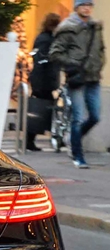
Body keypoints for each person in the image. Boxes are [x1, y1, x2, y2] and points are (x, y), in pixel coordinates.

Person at [50, 0, 105, 169]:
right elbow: (55, 53)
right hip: (77, 78)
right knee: (78, 118)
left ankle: (73, 139)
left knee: (95, 116)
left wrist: (99, 63)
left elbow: (100, 49)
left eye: (89, 5)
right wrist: (72, 64)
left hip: (94, 78)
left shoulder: (96, 27)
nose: (87, 8)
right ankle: (78, 156)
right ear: (76, 8)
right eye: (83, 5)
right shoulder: (67, 27)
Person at [26, 13, 61, 151]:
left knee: (42, 110)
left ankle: (33, 139)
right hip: (43, 81)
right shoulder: (46, 40)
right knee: (40, 110)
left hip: (42, 81)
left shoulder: (45, 38)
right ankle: (31, 140)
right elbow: (42, 61)